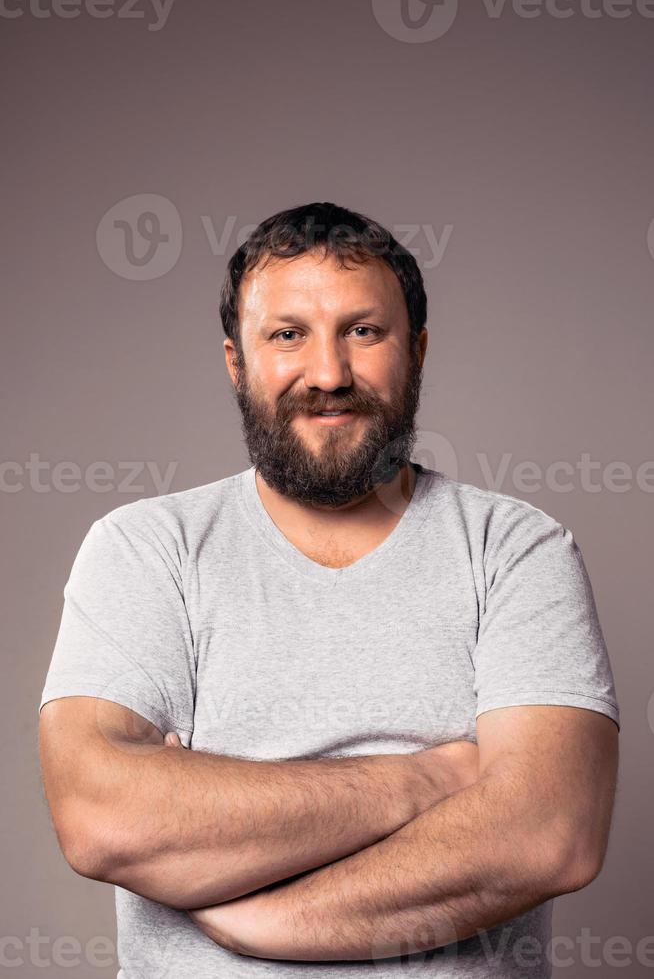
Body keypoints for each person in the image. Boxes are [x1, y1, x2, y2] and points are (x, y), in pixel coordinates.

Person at [38, 201, 620, 977]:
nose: (329, 374)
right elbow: (101, 817)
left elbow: (549, 833)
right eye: (288, 335)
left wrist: (265, 919)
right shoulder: (146, 551)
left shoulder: (516, 550)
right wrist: (427, 778)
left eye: (364, 331)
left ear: (415, 351)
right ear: (235, 362)